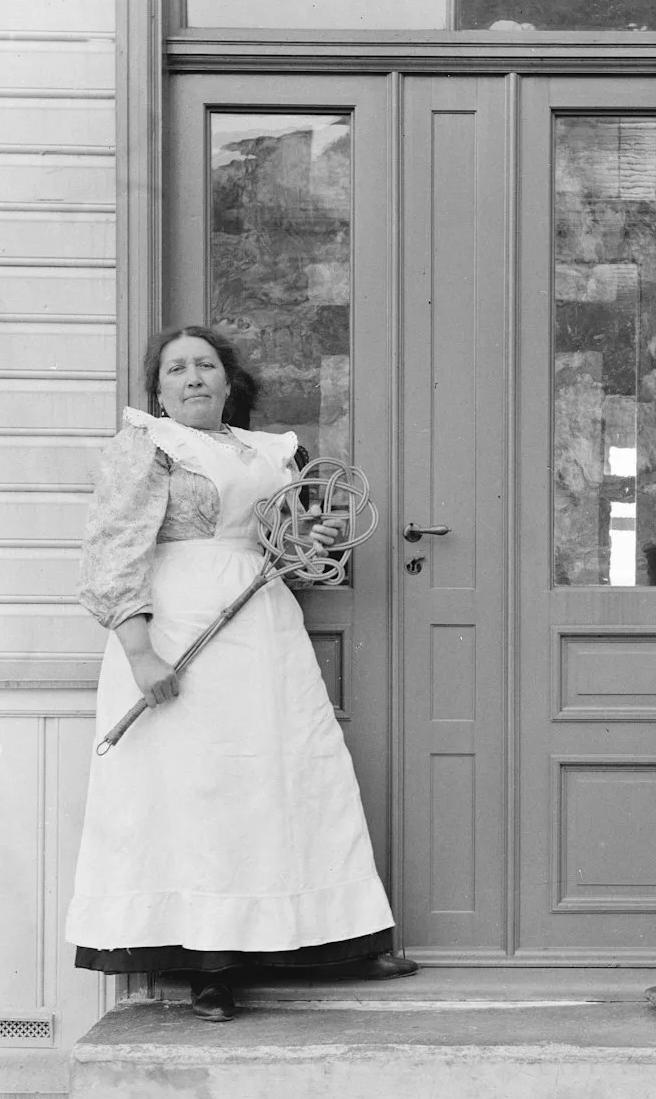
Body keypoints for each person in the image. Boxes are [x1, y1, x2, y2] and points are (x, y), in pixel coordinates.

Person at [67, 324, 414, 1021]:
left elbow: (287, 538)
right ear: (158, 390)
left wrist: (304, 539)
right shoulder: (148, 446)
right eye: (176, 370)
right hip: (175, 627)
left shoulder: (268, 452)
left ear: (229, 382)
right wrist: (140, 652)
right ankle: (210, 967)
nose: (192, 377)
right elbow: (113, 550)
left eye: (205, 365)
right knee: (201, 791)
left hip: (260, 627)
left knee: (287, 776)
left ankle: (343, 938)